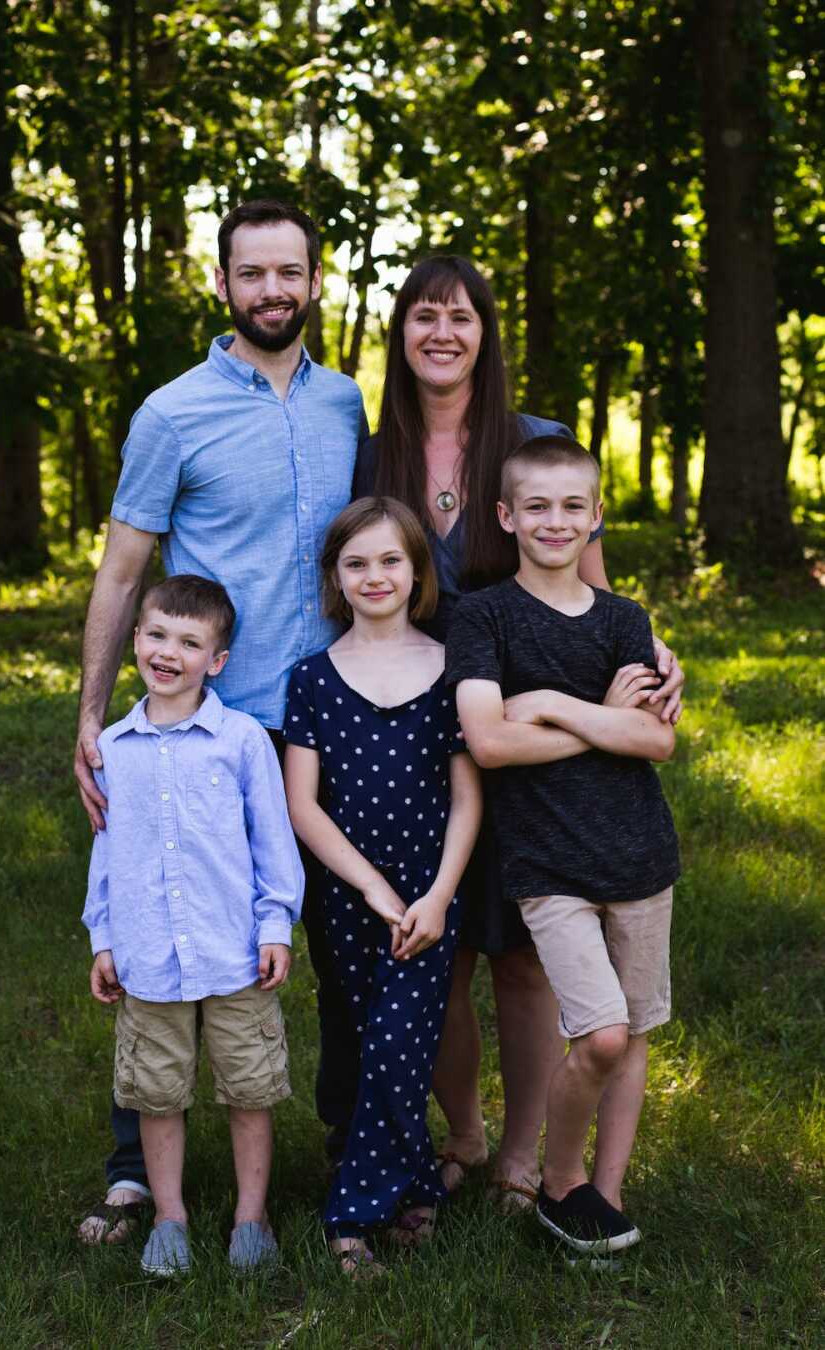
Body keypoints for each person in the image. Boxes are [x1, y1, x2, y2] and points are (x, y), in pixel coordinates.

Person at [353, 254, 684, 1208]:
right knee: (444, 945)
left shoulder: (538, 442)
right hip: (421, 723)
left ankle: (524, 1153)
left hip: (540, 734)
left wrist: (656, 660)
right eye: (423, 317)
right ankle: (460, 1132)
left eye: (461, 317)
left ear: (486, 333)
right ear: (401, 335)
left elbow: (600, 589)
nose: (442, 333)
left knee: (528, 956)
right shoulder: (376, 457)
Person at [74, 199, 366, 1244]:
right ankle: (131, 1170)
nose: (273, 290)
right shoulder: (173, 413)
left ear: (317, 281)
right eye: (253, 274)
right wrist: (90, 717)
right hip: (207, 727)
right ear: (224, 284)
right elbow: (121, 572)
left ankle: (352, 1153)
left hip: (334, 722)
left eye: (291, 271)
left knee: (331, 937)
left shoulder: (345, 405)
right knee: (160, 918)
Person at [447, 437, 679, 1253]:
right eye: (536, 507)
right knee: (602, 1033)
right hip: (546, 863)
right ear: (506, 516)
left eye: (573, 506)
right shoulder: (481, 617)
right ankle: (559, 1179)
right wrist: (600, 717)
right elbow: (490, 743)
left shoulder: (624, 619)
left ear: (596, 517)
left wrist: (545, 701)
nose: (555, 521)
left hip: (641, 857)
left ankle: (600, 1200)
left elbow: (656, 744)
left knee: (635, 1034)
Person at [82, 575, 304, 1274]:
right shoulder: (113, 748)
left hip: (233, 951)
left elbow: (274, 840)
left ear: (218, 660)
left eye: (189, 641)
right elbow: (107, 853)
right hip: (150, 956)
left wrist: (275, 925)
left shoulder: (240, 741)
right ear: (136, 642)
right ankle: (170, 1217)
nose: (167, 652)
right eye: (155, 635)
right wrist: (105, 939)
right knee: (156, 1092)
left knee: (250, 1088)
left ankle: (251, 1217)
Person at [283, 498, 482, 1276]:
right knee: (371, 1042)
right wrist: (369, 887)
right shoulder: (313, 680)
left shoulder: (450, 669)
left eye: (390, 560)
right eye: (356, 562)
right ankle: (417, 1182)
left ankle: (352, 1213)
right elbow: (303, 802)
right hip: (349, 895)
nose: (375, 576)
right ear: (335, 576)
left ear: (417, 571)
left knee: (405, 1038)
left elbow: (469, 797)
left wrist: (436, 895)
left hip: (432, 895)